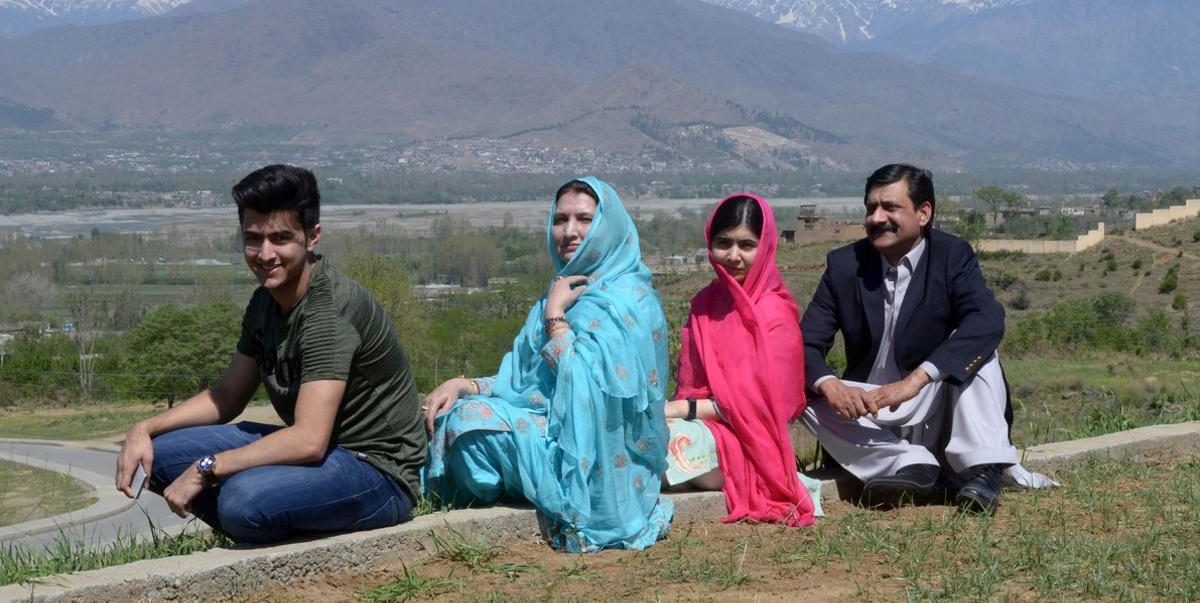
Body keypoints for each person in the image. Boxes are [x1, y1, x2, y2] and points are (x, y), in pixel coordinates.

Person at [115, 165, 425, 544]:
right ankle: (267, 519)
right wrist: (143, 428)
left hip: (377, 474)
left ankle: (262, 522)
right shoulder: (264, 303)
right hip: (326, 455)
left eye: (281, 238)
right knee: (159, 455)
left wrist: (208, 468)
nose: (265, 254)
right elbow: (227, 396)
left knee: (243, 498)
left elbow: (308, 440)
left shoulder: (328, 311)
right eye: (253, 238)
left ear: (312, 238)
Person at [421, 177, 674, 552]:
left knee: (469, 425)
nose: (570, 232)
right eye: (560, 220)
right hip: (546, 432)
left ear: (609, 226)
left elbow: (586, 390)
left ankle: (556, 491)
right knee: (451, 413)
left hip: (602, 460)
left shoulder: (630, 302)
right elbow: (522, 382)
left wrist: (556, 317)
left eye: (584, 219)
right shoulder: (558, 292)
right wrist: (465, 385)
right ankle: (531, 481)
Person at [800, 163, 1035, 514]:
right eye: (871, 208)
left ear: (923, 213)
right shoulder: (845, 265)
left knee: (979, 350)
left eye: (890, 207)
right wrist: (831, 385)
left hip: (929, 401)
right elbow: (804, 344)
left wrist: (916, 379)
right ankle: (916, 468)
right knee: (800, 389)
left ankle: (982, 471)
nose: (877, 218)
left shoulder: (951, 256)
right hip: (870, 410)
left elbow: (987, 319)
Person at [664, 194, 818, 526]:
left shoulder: (774, 314)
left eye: (746, 245)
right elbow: (692, 388)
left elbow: (773, 405)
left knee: (658, 444)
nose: (733, 256)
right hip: (705, 431)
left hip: (754, 445)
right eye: (724, 243)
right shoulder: (705, 305)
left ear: (764, 248)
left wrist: (682, 410)